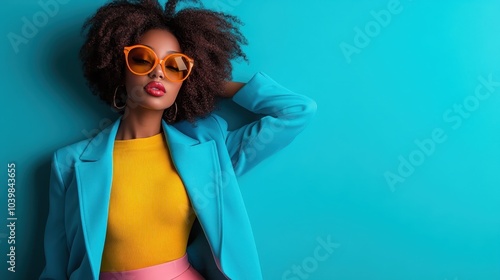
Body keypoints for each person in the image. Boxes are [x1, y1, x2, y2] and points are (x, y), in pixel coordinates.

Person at [39, 0, 316, 279]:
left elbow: (296, 111)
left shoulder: (209, 150)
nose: (158, 72)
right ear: (117, 68)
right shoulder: (70, 163)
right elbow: (56, 264)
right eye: (142, 58)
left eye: (176, 66)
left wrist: (212, 84)